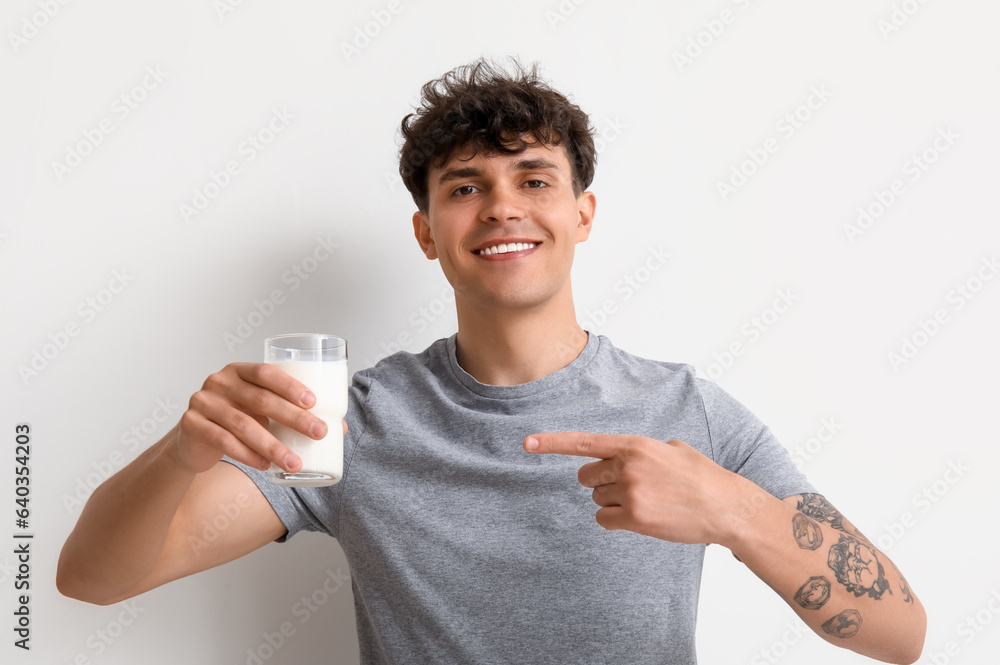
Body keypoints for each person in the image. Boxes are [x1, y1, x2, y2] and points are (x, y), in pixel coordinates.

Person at [58, 57, 926, 664]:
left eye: (534, 179)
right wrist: (183, 451)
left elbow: (899, 633)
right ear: (427, 231)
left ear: (583, 214)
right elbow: (90, 579)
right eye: (466, 187)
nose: (502, 208)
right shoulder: (349, 419)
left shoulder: (688, 410)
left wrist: (734, 509)